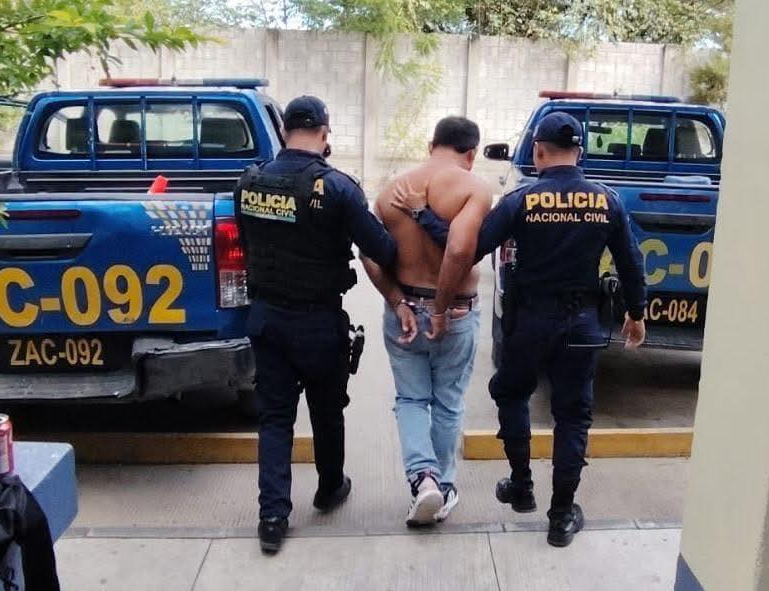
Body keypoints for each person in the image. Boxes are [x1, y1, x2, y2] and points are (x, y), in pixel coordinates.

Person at [392, 111, 647, 547]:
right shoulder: (607, 200)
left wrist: (422, 214)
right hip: (582, 324)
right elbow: (630, 261)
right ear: (580, 153)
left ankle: (521, 484)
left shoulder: (521, 201)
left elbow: (468, 247)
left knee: (511, 393)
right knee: (573, 416)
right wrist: (636, 312)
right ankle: (561, 516)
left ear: (539, 152)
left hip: (529, 322)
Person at [234, 95, 398, 554]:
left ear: (285, 131)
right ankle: (329, 488)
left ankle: (272, 518)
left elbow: (246, 243)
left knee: (274, 418)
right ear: (325, 133)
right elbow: (384, 251)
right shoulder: (339, 188)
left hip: (267, 317)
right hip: (319, 321)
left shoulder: (249, 183)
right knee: (327, 411)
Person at [361, 116, 493, 526]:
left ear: (431, 145)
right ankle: (444, 485)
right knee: (448, 402)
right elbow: (459, 252)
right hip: (454, 313)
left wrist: (397, 301)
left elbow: (368, 252)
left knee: (411, 400)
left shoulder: (391, 192)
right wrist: (439, 308)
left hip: (403, 312)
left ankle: (424, 480)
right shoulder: (473, 188)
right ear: (471, 153)